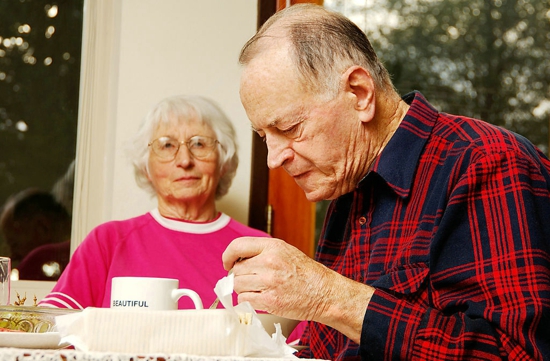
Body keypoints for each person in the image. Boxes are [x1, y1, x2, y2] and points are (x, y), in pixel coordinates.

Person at [222, 4, 550, 360]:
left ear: (360, 93)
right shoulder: (347, 186)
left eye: (289, 128)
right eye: (263, 136)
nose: (274, 159)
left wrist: (327, 295)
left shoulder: (486, 162)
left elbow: (519, 353)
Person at [39, 95, 270, 310]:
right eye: (167, 145)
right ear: (146, 167)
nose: (184, 160)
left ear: (224, 162)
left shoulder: (260, 248)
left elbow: (294, 345)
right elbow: (53, 327)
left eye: (199, 144)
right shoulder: (107, 242)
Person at [0, 188, 71, 280]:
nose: (13, 256)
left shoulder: (37, 260)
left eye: (15, 244)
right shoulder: (86, 255)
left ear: (42, 229)